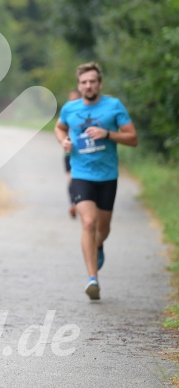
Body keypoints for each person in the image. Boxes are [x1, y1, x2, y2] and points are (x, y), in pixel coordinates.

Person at [54, 62, 138, 300]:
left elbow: (133, 138)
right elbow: (59, 128)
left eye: (92, 81)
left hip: (107, 177)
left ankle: (99, 245)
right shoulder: (70, 108)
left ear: (99, 84)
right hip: (81, 175)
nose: (88, 86)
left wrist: (108, 134)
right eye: (83, 82)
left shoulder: (113, 106)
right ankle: (93, 279)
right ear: (79, 85)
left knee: (103, 229)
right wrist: (64, 142)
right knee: (88, 222)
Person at [64, 89, 82, 218]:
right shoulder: (67, 113)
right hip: (69, 153)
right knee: (71, 179)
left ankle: (82, 203)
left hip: (85, 153)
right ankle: (73, 204)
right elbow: (59, 129)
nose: (73, 101)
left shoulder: (85, 113)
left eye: (76, 98)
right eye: (71, 99)